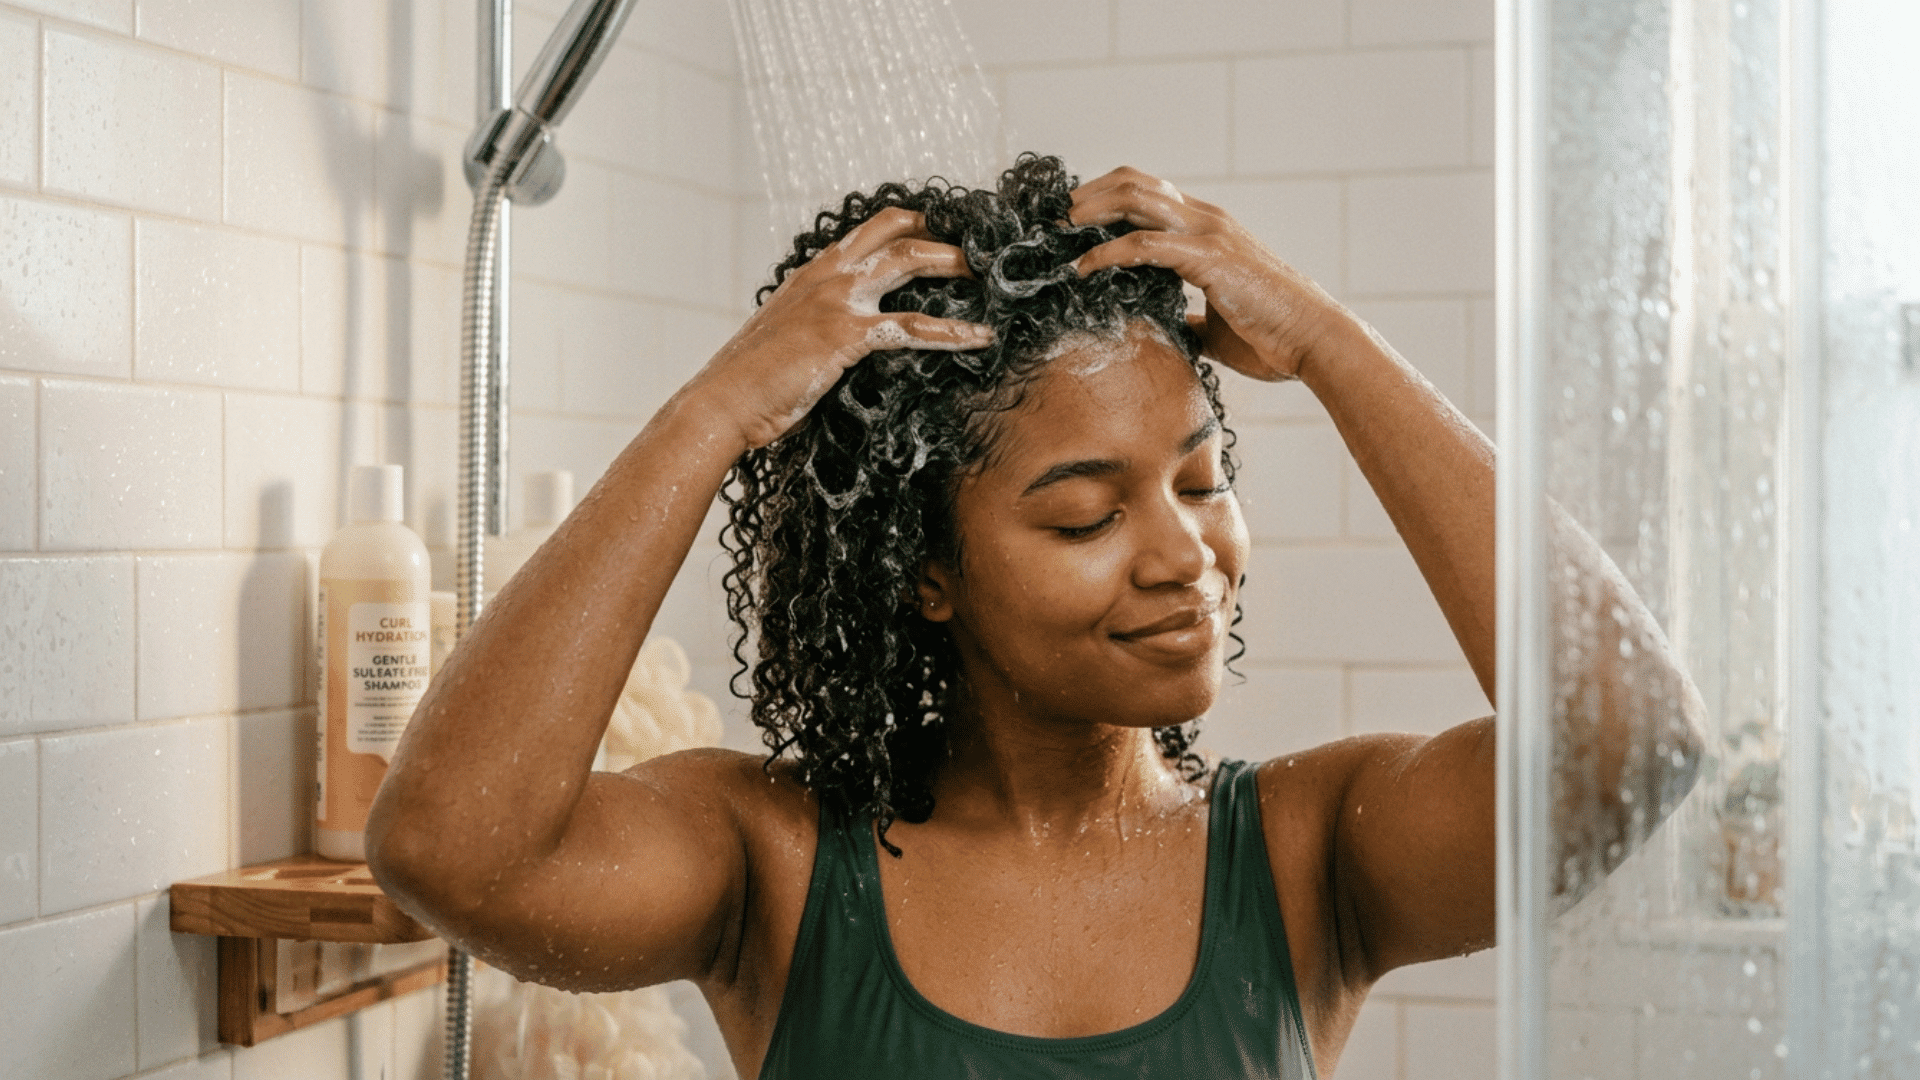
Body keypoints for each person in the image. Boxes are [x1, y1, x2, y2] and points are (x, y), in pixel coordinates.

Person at [367, 154, 1703, 1079]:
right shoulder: (773, 864)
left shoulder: (1307, 860)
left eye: (1202, 478)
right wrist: (717, 411)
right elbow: (448, 852)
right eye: (1086, 515)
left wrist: (1327, 344)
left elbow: (1634, 745)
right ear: (927, 568)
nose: (1188, 555)